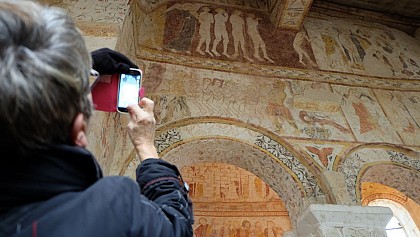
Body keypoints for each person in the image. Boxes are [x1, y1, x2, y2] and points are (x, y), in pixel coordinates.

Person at [0, 1, 193, 237]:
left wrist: (70, 72)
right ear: (78, 130)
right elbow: (177, 225)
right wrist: (146, 145)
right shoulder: (114, 211)